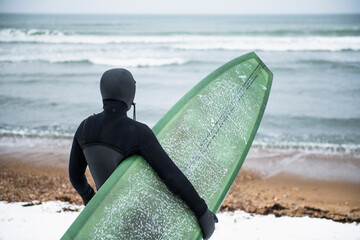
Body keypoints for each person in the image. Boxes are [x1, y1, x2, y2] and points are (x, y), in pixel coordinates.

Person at [69, 68, 218, 239]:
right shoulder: (137, 132)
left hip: (110, 219)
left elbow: (75, 176)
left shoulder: (85, 127)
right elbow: (172, 176)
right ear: (130, 94)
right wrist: (202, 212)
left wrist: (90, 199)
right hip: (142, 220)